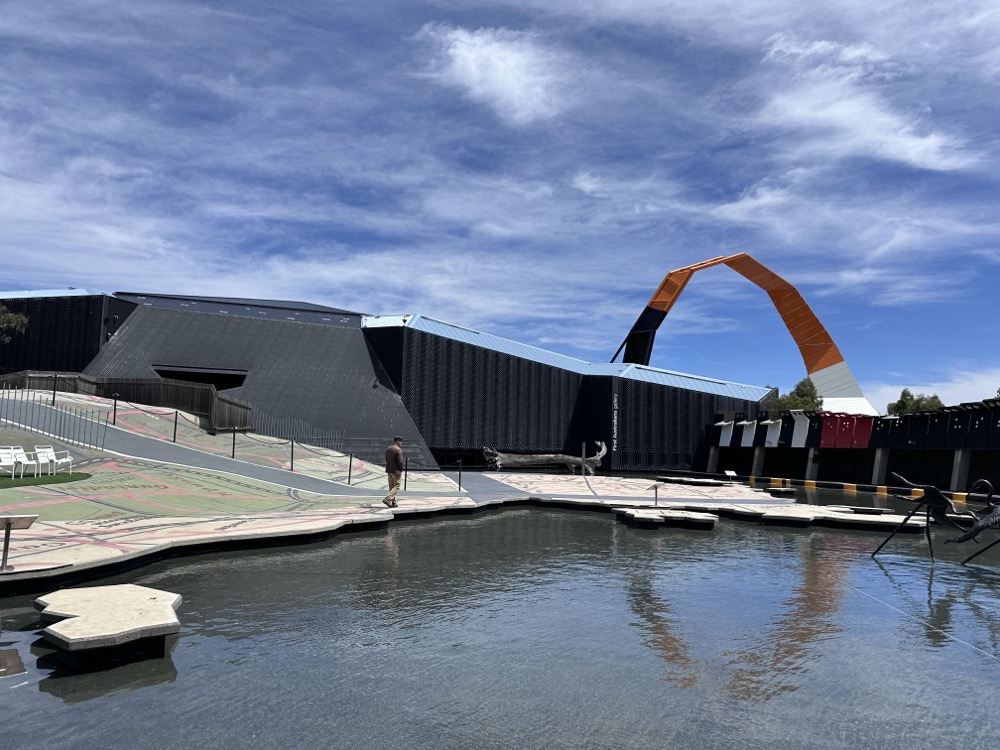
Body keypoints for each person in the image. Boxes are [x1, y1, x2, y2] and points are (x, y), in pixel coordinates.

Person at [383, 435, 404, 508]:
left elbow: (386, 459)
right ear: (397, 441)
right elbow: (400, 462)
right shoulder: (398, 450)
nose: (401, 443)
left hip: (389, 470)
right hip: (396, 471)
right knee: (397, 486)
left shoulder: (388, 448)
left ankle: (394, 502)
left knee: (391, 487)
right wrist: (401, 469)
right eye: (400, 441)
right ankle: (388, 498)